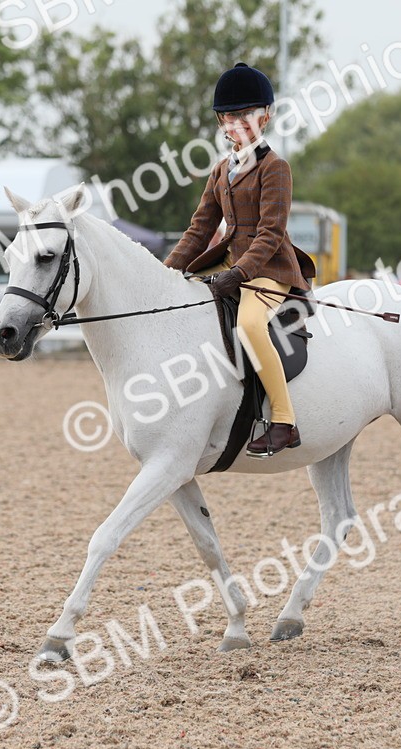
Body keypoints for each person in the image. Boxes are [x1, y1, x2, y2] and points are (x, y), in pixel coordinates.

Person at [163, 62, 317, 457]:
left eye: (245, 115)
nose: (237, 123)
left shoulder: (275, 167)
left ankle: (284, 421)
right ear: (222, 122)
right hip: (231, 264)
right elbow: (199, 230)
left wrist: (238, 274)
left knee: (249, 324)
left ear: (264, 117)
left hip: (269, 268)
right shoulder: (220, 171)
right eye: (230, 116)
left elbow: (270, 233)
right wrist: (164, 272)